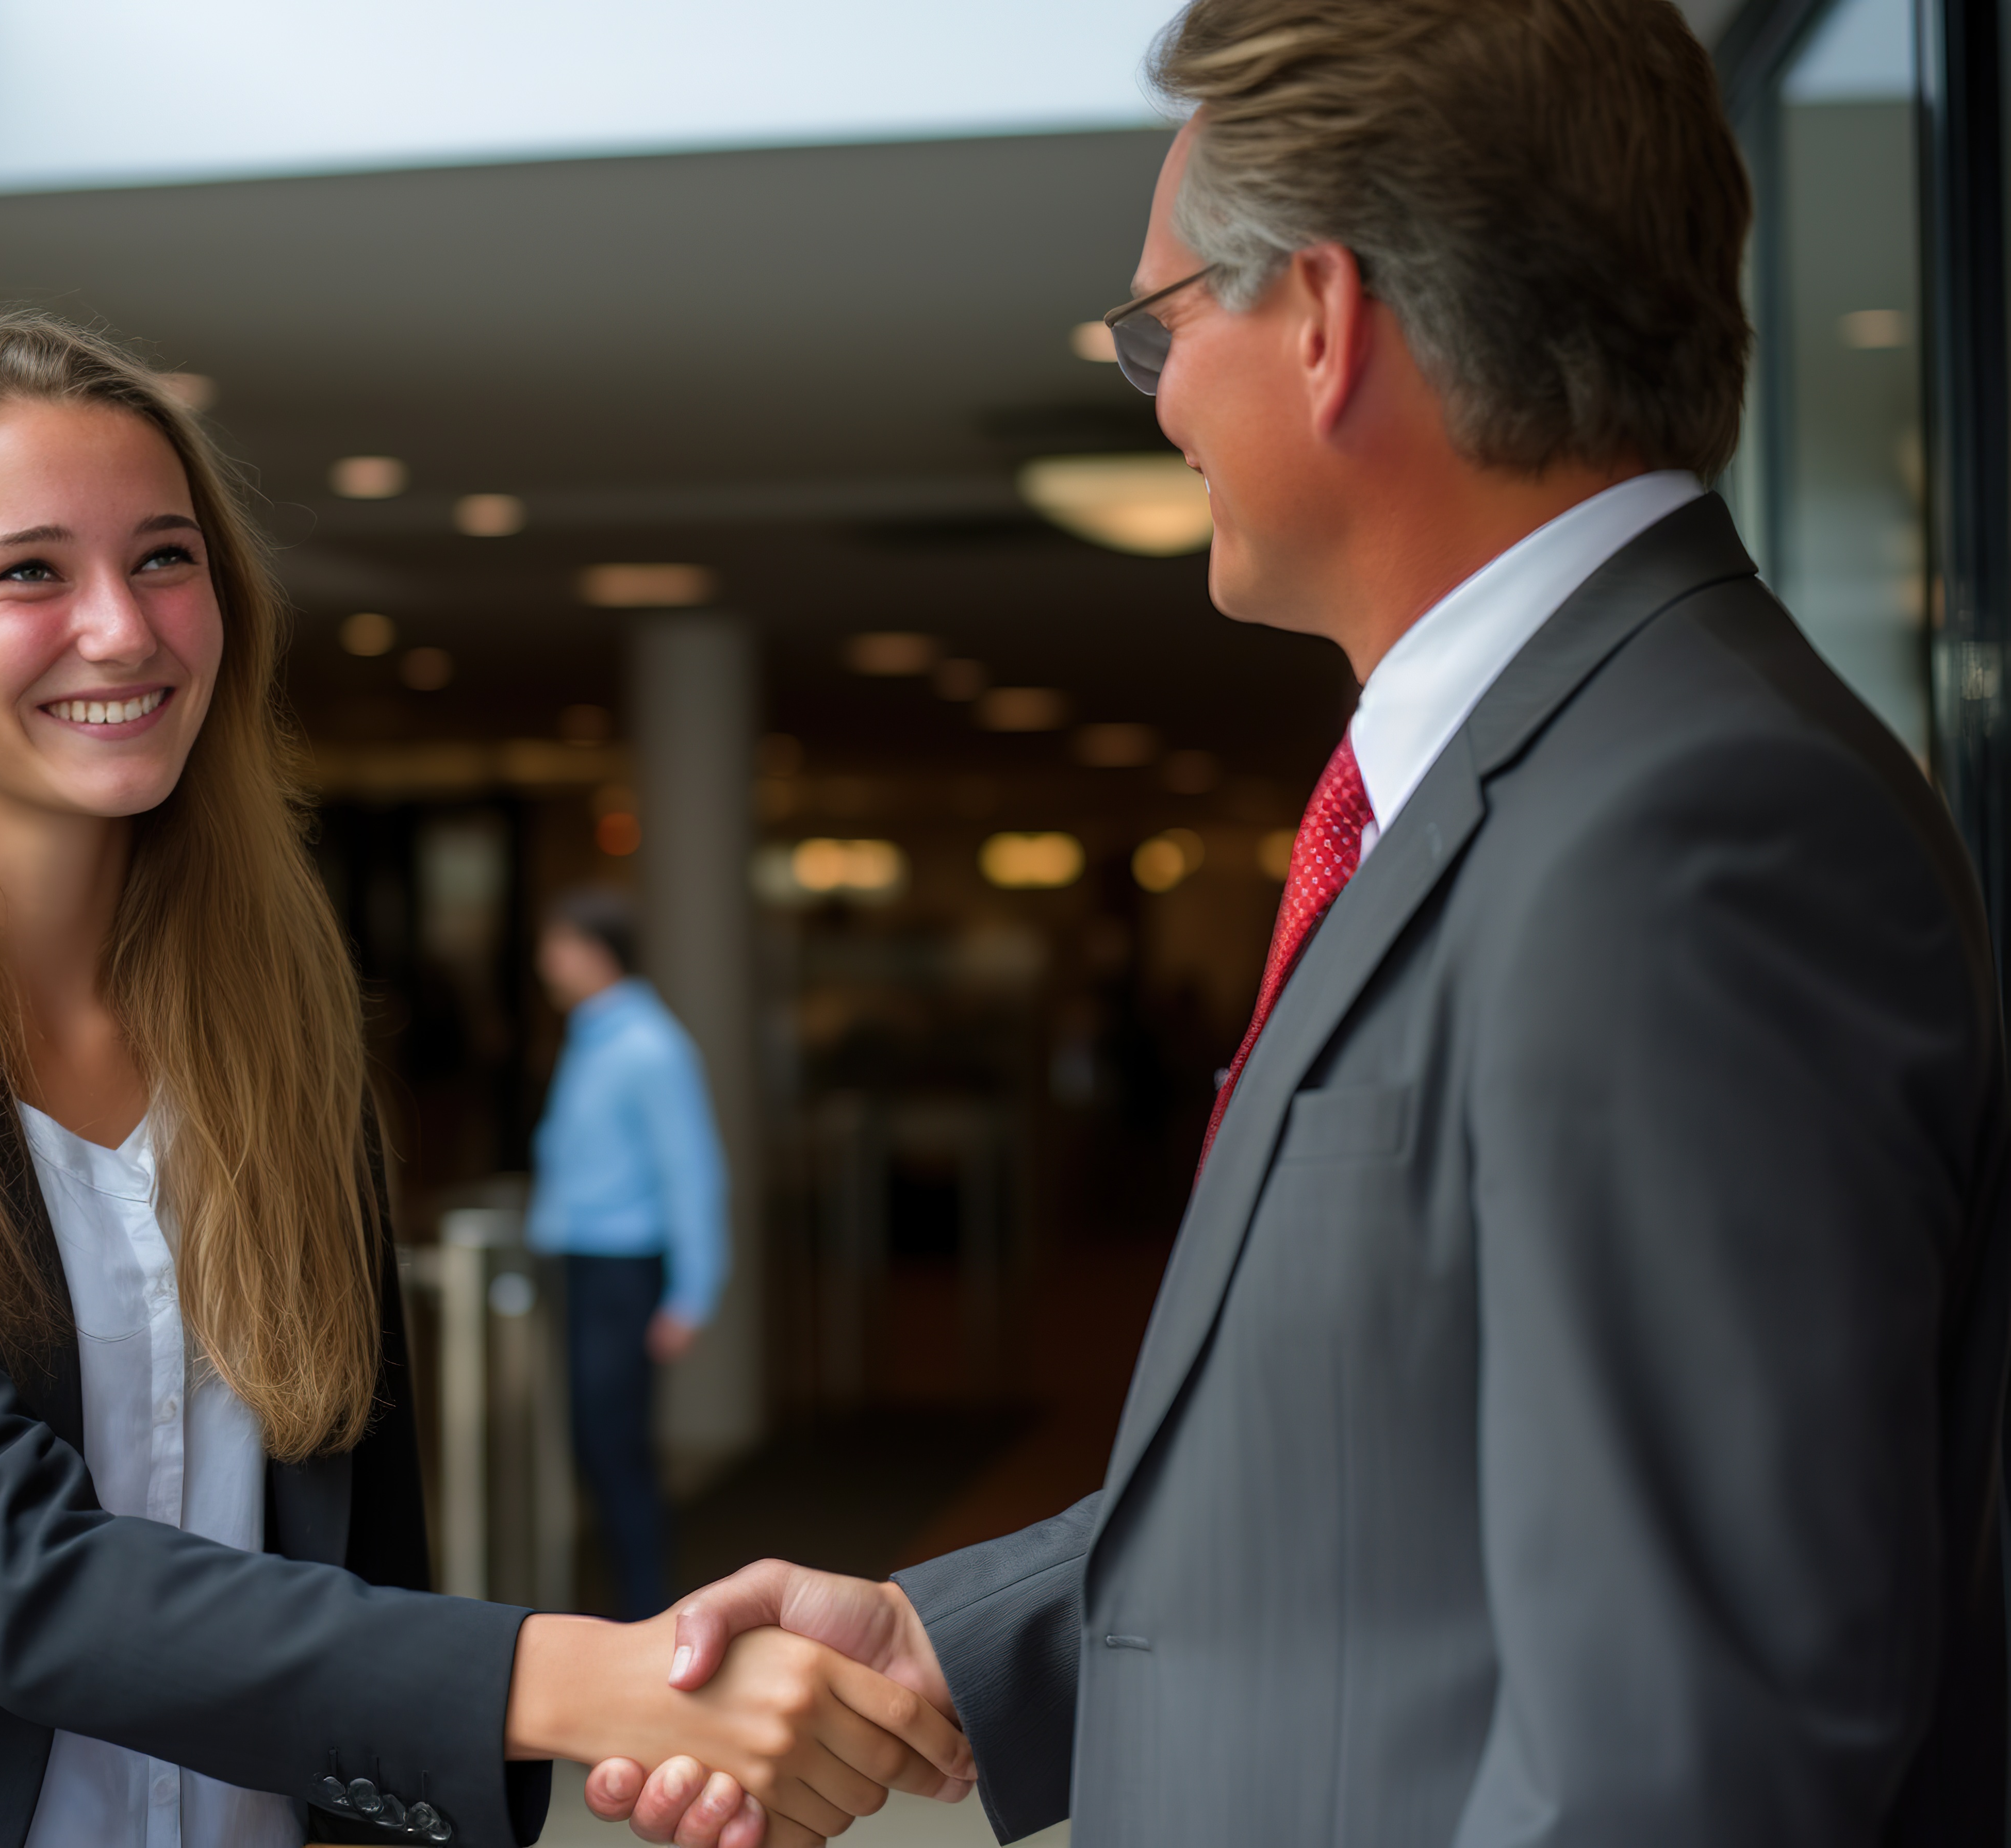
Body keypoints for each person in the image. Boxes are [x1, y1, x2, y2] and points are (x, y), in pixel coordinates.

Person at [595, 2, 2011, 1843]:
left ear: (1326, 323)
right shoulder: (1556, 778)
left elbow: (1679, 1761)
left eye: (1161, 322)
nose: (1159, 394)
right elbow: (1391, 1481)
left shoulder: (1686, 839)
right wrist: (948, 1644)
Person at [0, 312, 971, 1848]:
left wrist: (614, 1711)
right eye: (30, 570)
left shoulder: (275, 1039)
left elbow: (362, 1567)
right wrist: (606, 1679)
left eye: (166, 559)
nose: (123, 627)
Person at [526, 888, 728, 1621]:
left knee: (615, 1447)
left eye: (559, 944)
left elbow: (692, 1168)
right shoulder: (596, 1035)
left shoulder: (649, 1046)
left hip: (621, 1269)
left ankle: (648, 1614)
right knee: (597, 1443)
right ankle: (632, 1608)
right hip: (585, 1264)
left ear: (596, 953)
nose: (548, 960)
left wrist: (693, 1292)